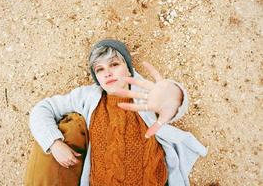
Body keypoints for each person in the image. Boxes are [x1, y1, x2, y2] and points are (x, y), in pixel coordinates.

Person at [25, 39, 207, 186]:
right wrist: (54, 143)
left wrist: (172, 97)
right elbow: (42, 109)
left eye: (114, 64)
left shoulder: (145, 95)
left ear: (128, 67)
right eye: (100, 69)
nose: (108, 73)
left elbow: (176, 108)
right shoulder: (88, 97)